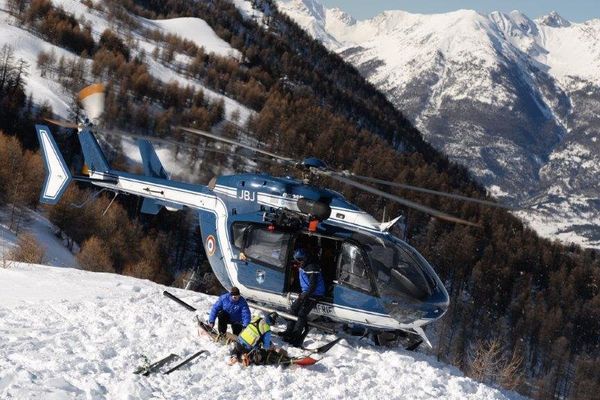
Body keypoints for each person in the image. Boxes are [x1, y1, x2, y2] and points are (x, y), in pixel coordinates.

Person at [282, 248, 325, 347]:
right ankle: (289, 330)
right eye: (298, 261)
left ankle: (296, 335)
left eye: (300, 261)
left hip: (315, 293)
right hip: (306, 292)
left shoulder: (312, 267)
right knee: (293, 308)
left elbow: (313, 286)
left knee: (302, 313)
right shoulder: (302, 265)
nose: (299, 263)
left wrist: (304, 296)